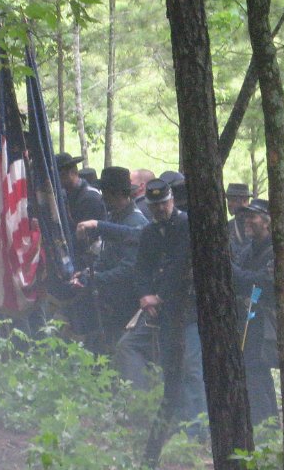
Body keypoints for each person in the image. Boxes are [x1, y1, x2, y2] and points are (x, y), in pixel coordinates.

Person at [133, 178, 199, 433]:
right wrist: (145, 295)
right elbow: (141, 268)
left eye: (164, 203)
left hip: (187, 309)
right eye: (155, 205)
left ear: (171, 201)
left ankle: (195, 430)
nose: (160, 209)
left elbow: (182, 265)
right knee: (170, 367)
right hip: (163, 313)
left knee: (191, 369)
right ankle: (175, 425)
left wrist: (159, 296)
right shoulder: (150, 232)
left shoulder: (185, 226)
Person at [72, 166, 149, 355]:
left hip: (127, 302)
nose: (102, 197)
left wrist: (95, 278)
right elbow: (105, 258)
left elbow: (129, 270)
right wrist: (86, 274)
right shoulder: (115, 218)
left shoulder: (135, 222)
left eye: (105, 192)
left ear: (115, 194)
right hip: (112, 300)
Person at [231, 198, 278, 426]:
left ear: (267, 222)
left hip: (264, 321)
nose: (247, 221)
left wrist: (233, 272)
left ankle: (264, 424)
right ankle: (266, 422)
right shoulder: (249, 249)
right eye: (247, 217)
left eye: (253, 217)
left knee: (256, 370)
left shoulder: (274, 251)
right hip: (248, 318)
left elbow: (262, 284)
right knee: (253, 371)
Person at [226, 182, 251, 260]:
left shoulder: (255, 224)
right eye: (228, 200)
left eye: (233, 200)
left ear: (245, 201)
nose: (229, 204)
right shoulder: (228, 226)